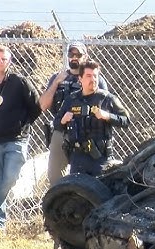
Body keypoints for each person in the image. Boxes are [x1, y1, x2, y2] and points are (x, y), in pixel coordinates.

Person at [0, 45, 41, 234]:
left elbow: (35, 106)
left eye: (4, 59)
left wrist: (23, 124)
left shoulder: (19, 82)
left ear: (9, 61)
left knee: (10, 179)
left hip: (16, 140)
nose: (0, 62)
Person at [39, 42, 109, 185]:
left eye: (79, 55)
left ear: (86, 57)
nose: (74, 58)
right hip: (61, 129)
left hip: (86, 132)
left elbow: (105, 105)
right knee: (55, 178)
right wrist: (56, 82)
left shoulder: (96, 78)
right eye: (71, 54)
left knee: (85, 177)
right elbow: (43, 105)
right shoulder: (57, 78)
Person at [53, 60, 128, 176]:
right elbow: (56, 124)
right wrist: (64, 120)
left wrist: (107, 116)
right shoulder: (71, 100)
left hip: (101, 158)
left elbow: (126, 120)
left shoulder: (107, 99)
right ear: (80, 79)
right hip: (78, 158)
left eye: (95, 76)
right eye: (88, 76)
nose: (93, 79)